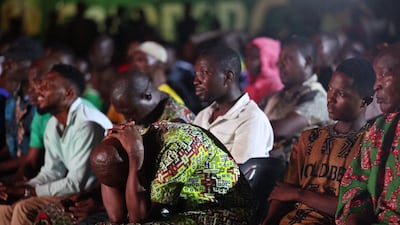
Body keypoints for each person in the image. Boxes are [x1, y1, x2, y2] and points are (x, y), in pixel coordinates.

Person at [34, 70, 195, 225]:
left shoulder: (177, 125)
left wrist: (99, 206)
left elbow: (158, 196)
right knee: (52, 214)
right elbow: (118, 167)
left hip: (165, 206)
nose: (127, 119)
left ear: (147, 96)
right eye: (122, 113)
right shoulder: (142, 115)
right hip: (131, 196)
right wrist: (87, 197)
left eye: (129, 112)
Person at [262, 57, 376, 225]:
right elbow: (282, 194)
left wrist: (299, 194)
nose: (330, 98)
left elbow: (352, 209)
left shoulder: (371, 144)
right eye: (330, 89)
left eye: (342, 93)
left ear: (365, 101)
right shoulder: (309, 139)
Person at [0, 63, 112, 225]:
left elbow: (76, 184)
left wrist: (25, 192)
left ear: (68, 94)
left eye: (47, 86)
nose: (38, 90)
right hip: (71, 188)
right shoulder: (54, 122)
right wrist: (20, 187)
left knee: (24, 209)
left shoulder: (87, 124)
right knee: (4, 206)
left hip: (89, 195)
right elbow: (51, 172)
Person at [91, 121, 255, 224]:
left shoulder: (178, 148)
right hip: (182, 211)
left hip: (224, 213)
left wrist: (135, 156)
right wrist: (108, 143)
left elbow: (139, 219)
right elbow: (116, 217)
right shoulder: (126, 149)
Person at [336, 44, 400, 224]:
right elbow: (358, 184)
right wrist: (355, 217)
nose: (376, 85)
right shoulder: (380, 129)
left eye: (384, 74)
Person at [193, 46, 274, 164]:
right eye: (196, 74)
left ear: (228, 77)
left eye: (204, 73)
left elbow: (242, 175)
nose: (196, 80)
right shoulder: (203, 116)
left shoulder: (251, 119)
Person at [260, 36, 331, 161]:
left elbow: (281, 130)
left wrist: (248, 128)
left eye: (288, 58)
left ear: (307, 62)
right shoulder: (275, 97)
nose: (281, 64)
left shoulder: (317, 97)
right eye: (280, 59)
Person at [244, 37, 283, 104]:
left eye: (254, 58)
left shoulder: (274, 85)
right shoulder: (252, 84)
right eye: (247, 57)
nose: (248, 62)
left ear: (269, 59)